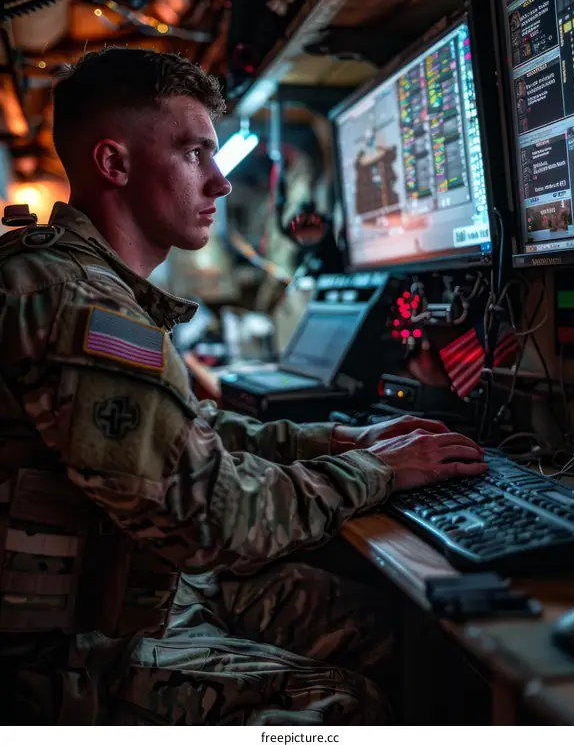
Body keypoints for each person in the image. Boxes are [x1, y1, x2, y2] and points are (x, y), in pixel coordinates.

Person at [0, 48, 486, 725]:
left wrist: (341, 437)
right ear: (115, 163)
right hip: (69, 663)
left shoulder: (82, 281)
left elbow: (187, 432)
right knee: (350, 709)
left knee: (402, 636)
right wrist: (373, 470)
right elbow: (210, 518)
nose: (221, 183)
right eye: (195, 152)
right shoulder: (79, 303)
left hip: (143, 596)